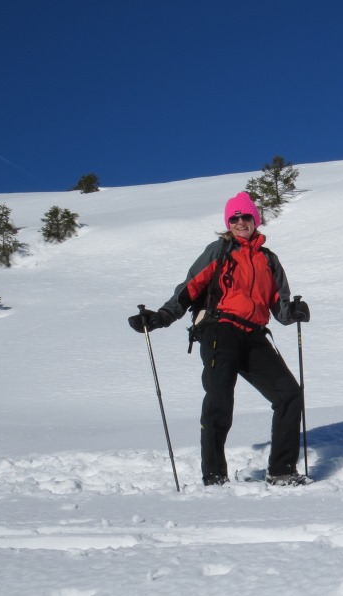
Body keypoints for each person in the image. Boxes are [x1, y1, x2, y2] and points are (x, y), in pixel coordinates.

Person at [130, 191, 311, 487]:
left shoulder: (269, 260)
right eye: (235, 218)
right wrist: (161, 317)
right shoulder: (219, 250)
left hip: (254, 335)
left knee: (289, 394)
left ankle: (282, 471)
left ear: (255, 219)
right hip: (220, 329)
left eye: (246, 216)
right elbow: (189, 288)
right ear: (229, 223)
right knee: (219, 399)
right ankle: (214, 476)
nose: (241, 222)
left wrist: (294, 311)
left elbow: (280, 306)